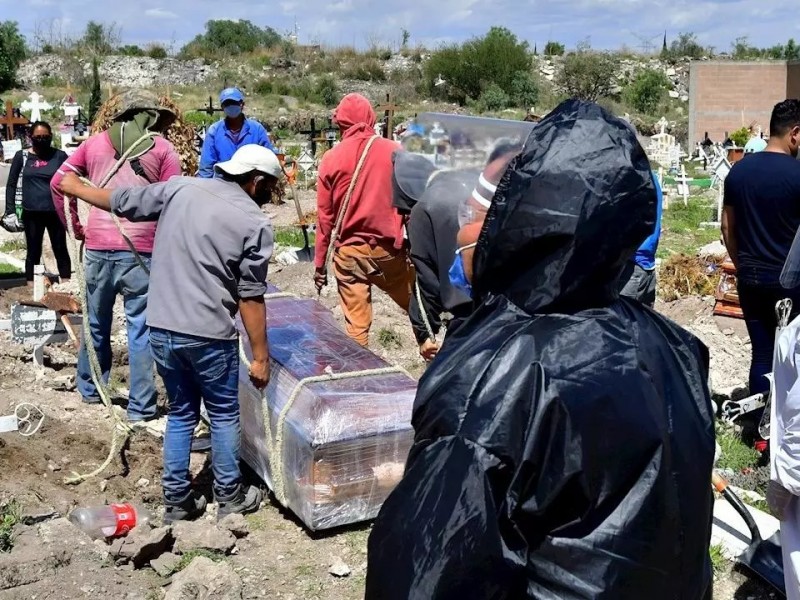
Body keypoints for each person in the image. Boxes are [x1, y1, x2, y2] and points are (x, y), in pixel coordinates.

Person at [365, 100, 716, 599]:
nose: (463, 230)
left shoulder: (494, 379)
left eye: (475, 213)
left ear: (518, 224)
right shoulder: (676, 347)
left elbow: (424, 575)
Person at [57, 144, 279, 523]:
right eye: (269, 188)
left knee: (181, 412)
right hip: (209, 332)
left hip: (161, 326)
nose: (268, 196)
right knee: (224, 413)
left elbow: (123, 201)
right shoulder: (253, 222)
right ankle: (229, 496)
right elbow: (251, 297)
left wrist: (75, 188)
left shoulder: (179, 188)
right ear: (255, 181)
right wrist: (260, 357)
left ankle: (177, 499)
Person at [51, 90, 182, 423]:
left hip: (98, 249)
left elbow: (58, 182)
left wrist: (76, 226)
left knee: (96, 324)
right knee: (140, 330)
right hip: (143, 253)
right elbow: (175, 201)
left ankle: (90, 390)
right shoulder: (164, 150)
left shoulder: (93, 145)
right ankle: (141, 407)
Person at [314, 93, 413, 347]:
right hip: (388, 252)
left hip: (349, 255)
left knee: (356, 329)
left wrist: (319, 265)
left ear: (341, 123)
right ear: (370, 118)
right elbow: (411, 205)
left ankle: (359, 375)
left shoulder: (330, 159)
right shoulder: (395, 151)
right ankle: (433, 351)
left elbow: (325, 220)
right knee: (418, 306)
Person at [722, 99, 800, 400]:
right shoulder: (796, 174)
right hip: (791, 283)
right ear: (794, 133)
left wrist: (742, 265)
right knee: (791, 354)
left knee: (762, 352)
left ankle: (760, 431)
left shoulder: (739, 172)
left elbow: (727, 227)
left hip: (751, 279)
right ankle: (787, 428)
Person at [3, 121, 71, 284]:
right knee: (33, 250)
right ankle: (31, 284)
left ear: (51, 137)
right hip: (31, 212)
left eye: (45, 137)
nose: (42, 140)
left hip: (55, 211)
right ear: (31, 137)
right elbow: (11, 184)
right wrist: (10, 210)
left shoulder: (59, 156)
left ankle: (67, 282)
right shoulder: (22, 156)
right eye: (38, 137)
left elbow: (71, 179)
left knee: (60, 247)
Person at [198, 87, 275, 178]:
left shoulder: (257, 130)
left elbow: (269, 160)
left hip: (250, 185)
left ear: (242, 104)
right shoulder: (214, 131)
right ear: (222, 107)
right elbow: (206, 167)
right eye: (227, 104)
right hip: (223, 184)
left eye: (234, 103)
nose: (231, 106)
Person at [618, 173, 663, 307]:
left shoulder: (632, 179)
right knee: (644, 322)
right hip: (646, 264)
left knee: (623, 321)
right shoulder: (651, 177)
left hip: (632, 266)